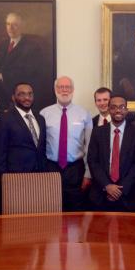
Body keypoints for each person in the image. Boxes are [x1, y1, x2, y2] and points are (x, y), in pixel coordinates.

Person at [40, 76, 93, 211]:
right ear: (55, 90)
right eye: (60, 87)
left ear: (73, 90)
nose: (64, 90)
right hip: (51, 167)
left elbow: (89, 146)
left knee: (75, 210)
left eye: (67, 87)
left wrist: (87, 174)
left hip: (75, 169)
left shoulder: (84, 114)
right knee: (51, 207)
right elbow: (39, 145)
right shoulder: (44, 114)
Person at [88, 95, 135, 212]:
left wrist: (120, 189)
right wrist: (107, 186)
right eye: (113, 107)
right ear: (109, 110)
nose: (118, 110)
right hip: (102, 193)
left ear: (127, 110)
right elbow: (93, 161)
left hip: (128, 194)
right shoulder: (98, 132)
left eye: (122, 107)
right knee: (99, 230)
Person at [0, 12, 41, 110]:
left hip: (16, 91)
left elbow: (27, 71)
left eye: (15, 25)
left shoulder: (31, 46)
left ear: (21, 27)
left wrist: (1, 76)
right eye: (8, 24)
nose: (10, 28)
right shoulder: (4, 44)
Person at [0, 82, 46, 179]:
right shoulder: (4, 119)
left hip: (40, 175)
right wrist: (4, 180)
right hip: (15, 178)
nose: (27, 98)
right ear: (13, 97)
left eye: (30, 94)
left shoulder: (40, 119)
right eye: (22, 94)